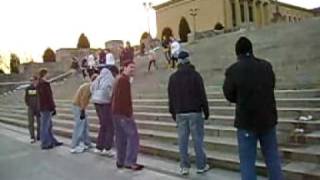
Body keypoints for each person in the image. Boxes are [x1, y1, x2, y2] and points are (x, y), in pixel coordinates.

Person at [223, 37, 283, 180]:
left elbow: (228, 94)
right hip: (268, 119)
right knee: (272, 158)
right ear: (251, 50)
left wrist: (241, 98)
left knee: (247, 162)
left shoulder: (233, 70)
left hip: (246, 122)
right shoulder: (266, 66)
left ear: (238, 53)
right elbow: (271, 85)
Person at [167, 51, 210, 175]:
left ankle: (184, 166)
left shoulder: (173, 78)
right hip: (195, 112)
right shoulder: (196, 75)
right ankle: (201, 165)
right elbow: (202, 94)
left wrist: (173, 112)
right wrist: (206, 111)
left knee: (182, 141)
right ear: (189, 60)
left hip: (180, 112)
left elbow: (171, 97)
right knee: (198, 140)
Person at [111, 61, 144, 171]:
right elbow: (124, 99)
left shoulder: (118, 79)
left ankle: (120, 161)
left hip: (116, 113)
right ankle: (130, 162)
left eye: (134, 68)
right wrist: (129, 114)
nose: (132, 70)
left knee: (121, 138)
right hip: (123, 114)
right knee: (133, 137)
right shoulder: (124, 80)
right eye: (130, 67)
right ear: (124, 68)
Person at [70, 74, 98, 154]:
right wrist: (82, 110)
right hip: (78, 106)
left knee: (85, 124)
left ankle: (87, 142)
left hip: (79, 106)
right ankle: (74, 146)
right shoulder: (89, 87)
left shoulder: (88, 86)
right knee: (79, 125)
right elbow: (83, 99)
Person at [90, 68, 115, 156]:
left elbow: (91, 88)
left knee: (103, 125)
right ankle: (107, 148)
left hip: (96, 103)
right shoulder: (109, 79)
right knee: (110, 126)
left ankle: (99, 147)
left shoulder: (97, 79)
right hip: (105, 103)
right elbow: (110, 91)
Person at [37, 68, 63, 149]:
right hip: (46, 108)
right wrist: (53, 107)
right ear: (45, 74)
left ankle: (52, 141)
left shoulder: (40, 84)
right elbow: (48, 97)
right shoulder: (44, 84)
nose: (49, 75)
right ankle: (45, 143)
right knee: (45, 126)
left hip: (44, 107)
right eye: (47, 74)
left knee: (49, 126)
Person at [24, 76, 40, 143]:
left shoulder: (39, 88)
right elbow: (26, 98)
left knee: (40, 123)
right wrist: (29, 104)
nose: (31, 81)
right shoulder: (28, 88)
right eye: (31, 80)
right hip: (31, 108)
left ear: (36, 80)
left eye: (33, 80)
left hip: (39, 108)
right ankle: (32, 137)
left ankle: (39, 136)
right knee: (31, 123)